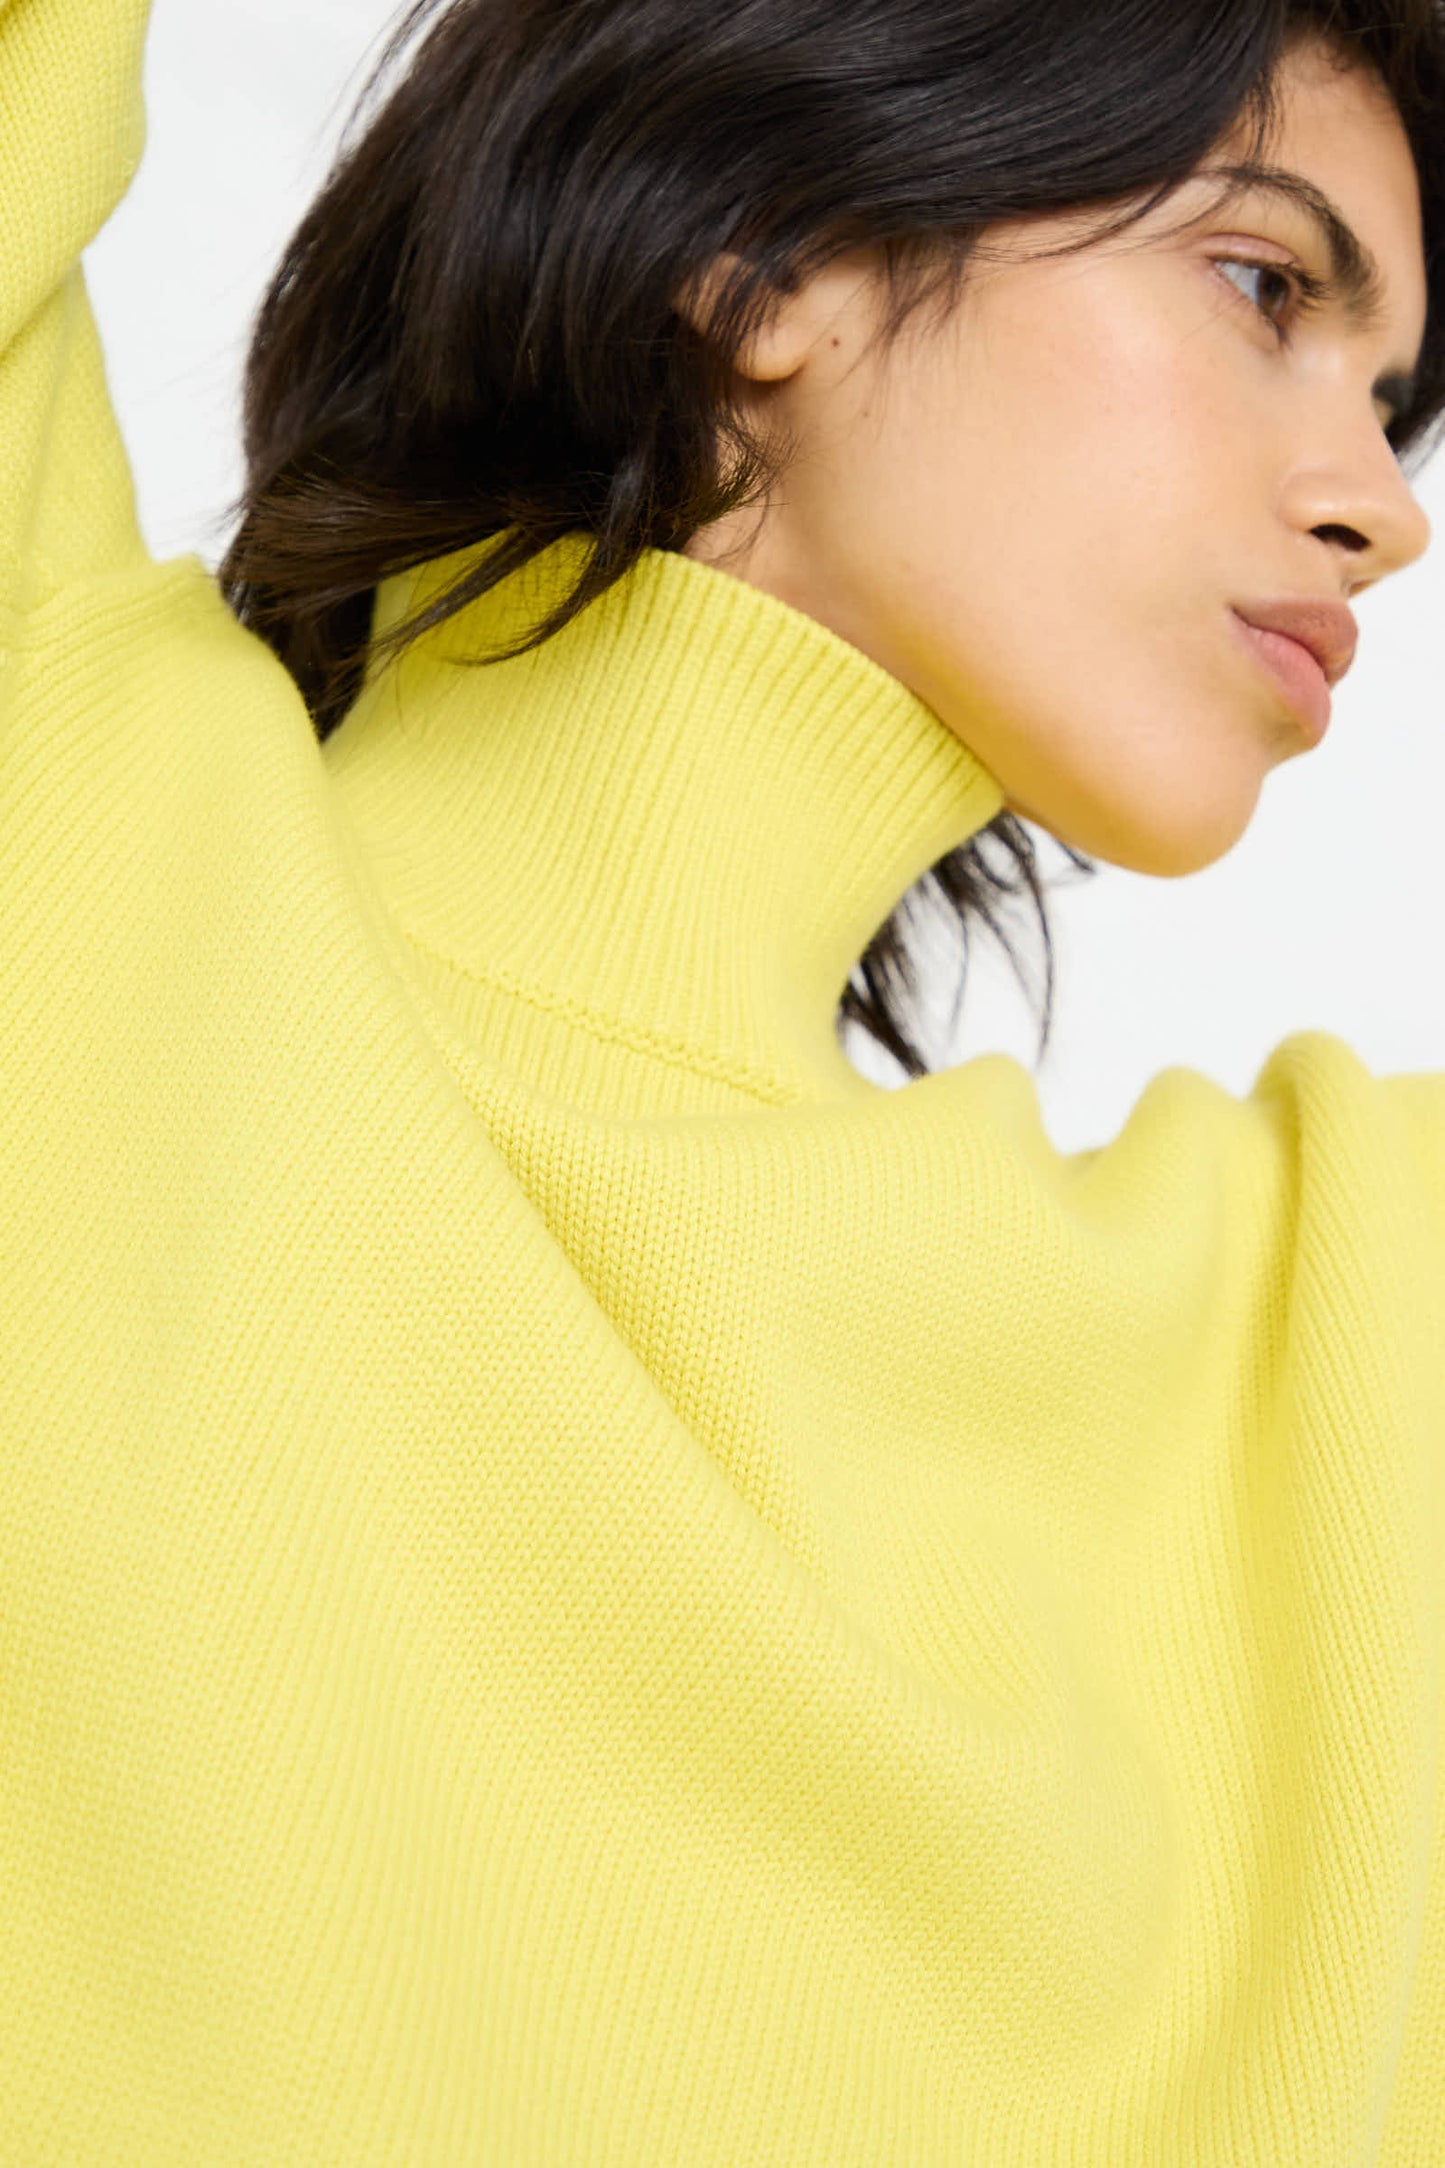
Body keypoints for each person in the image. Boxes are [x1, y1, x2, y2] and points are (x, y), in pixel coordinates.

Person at [2, 0, 1442, 2159]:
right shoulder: (71, 822)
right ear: (768, 255)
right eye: (1263, 288)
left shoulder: (1345, 1331)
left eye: (1396, 405)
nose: (1377, 510)